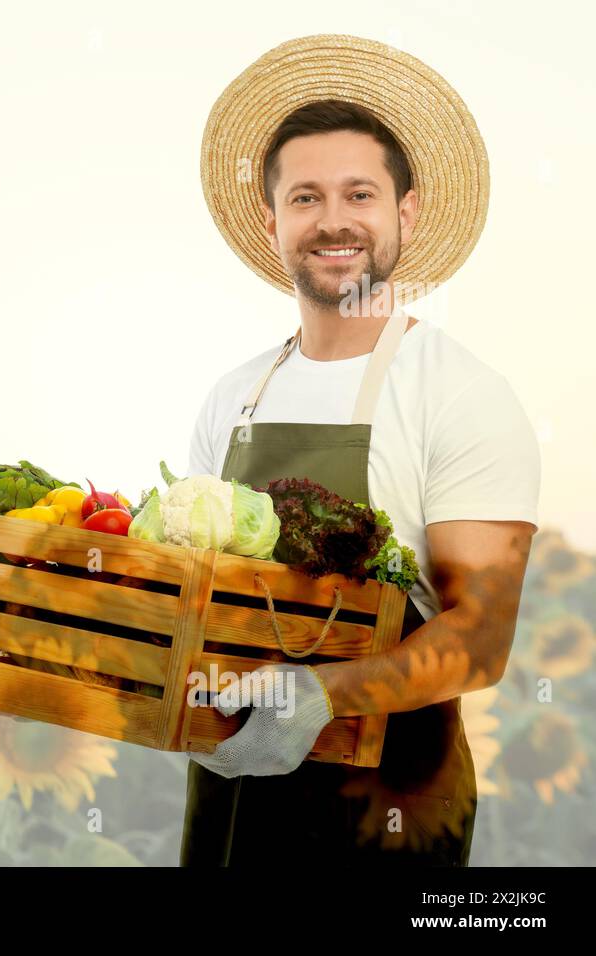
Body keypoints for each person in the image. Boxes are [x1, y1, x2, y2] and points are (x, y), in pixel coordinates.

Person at [180, 35, 540, 866]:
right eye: (305, 197)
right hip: (228, 797)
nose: (333, 220)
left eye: (359, 194)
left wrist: (320, 696)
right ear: (272, 221)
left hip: (392, 809)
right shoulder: (232, 397)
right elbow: (199, 600)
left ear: (403, 214)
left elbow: (481, 637)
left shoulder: (456, 390)